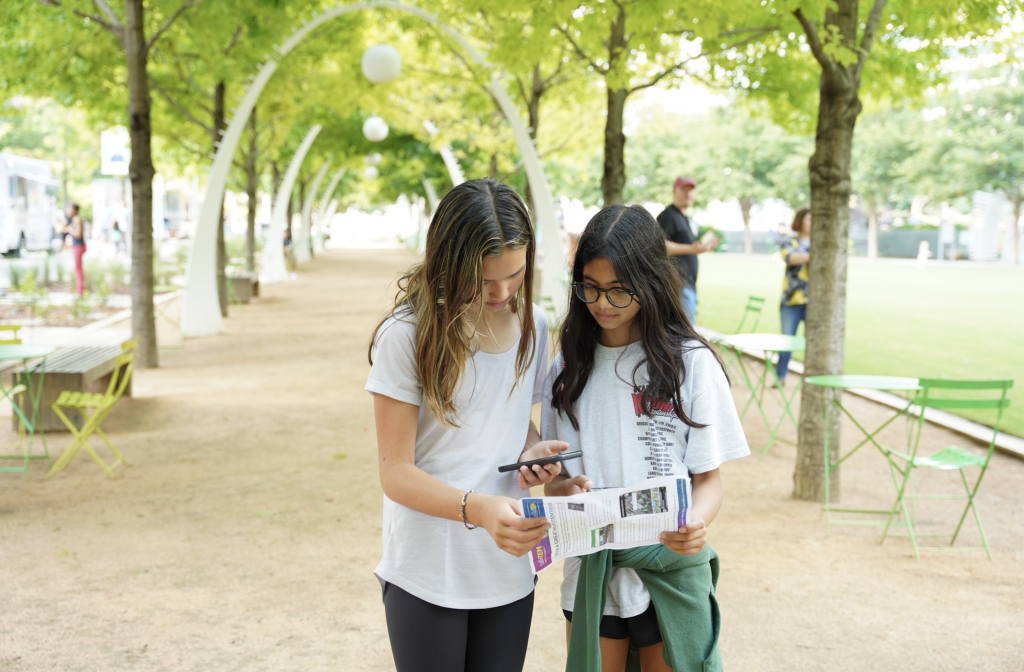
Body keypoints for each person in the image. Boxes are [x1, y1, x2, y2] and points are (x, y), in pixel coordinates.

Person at [366, 178, 570, 672]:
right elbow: (396, 472)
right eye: (484, 281)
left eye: (515, 275)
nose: (502, 293)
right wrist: (477, 509)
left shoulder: (535, 326)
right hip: (428, 567)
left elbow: (511, 422)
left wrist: (534, 455)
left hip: (507, 566)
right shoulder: (406, 335)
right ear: (449, 264)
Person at [542, 205, 749, 672]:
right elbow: (556, 482)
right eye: (591, 288)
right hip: (592, 571)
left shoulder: (689, 363)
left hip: (668, 569)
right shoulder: (566, 370)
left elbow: (709, 479)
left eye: (619, 291)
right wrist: (558, 489)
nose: (603, 304)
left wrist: (695, 522)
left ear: (651, 280)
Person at [656, 176, 718, 323]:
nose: (688, 193)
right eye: (684, 189)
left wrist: (700, 247)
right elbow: (659, 246)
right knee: (682, 338)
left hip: (688, 285)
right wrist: (691, 248)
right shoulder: (668, 215)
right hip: (678, 285)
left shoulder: (685, 218)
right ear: (674, 191)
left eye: (691, 190)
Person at [776, 207, 811, 385]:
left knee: (813, 342)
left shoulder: (819, 243)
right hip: (791, 300)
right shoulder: (790, 241)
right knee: (787, 340)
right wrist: (811, 256)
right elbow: (790, 258)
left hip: (813, 301)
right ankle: (780, 376)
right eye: (808, 219)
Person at [62, 203, 86, 297]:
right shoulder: (73, 219)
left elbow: (78, 234)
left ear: (75, 210)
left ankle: (80, 292)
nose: (68, 211)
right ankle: (79, 291)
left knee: (78, 269)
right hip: (76, 246)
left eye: (69, 209)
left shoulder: (77, 219)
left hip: (79, 246)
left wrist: (69, 229)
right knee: (77, 269)